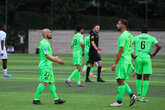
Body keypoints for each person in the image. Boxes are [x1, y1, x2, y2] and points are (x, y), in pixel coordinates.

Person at [33, 28, 65, 104]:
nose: (51, 34)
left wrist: (54, 57)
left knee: (51, 82)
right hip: (45, 66)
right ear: (45, 34)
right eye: (49, 32)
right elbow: (47, 56)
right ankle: (36, 99)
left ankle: (56, 99)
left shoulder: (46, 42)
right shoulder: (44, 43)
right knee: (43, 82)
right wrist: (57, 60)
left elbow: (48, 55)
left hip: (49, 66)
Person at [110, 19, 136, 107]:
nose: (117, 25)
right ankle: (132, 95)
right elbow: (131, 50)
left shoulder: (123, 36)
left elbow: (121, 50)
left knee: (120, 80)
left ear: (123, 25)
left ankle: (119, 101)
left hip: (123, 60)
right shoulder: (130, 35)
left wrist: (115, 63)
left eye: (118, 23)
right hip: (128, 60)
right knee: (122, 80)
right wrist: (133, 63)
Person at [133, 25, 161, 102]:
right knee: (146, 78)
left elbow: (130, 44)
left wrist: (132, 54)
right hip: (147, 57)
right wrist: (153, 54)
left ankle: (138, 95)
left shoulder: (136, 37)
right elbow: (159, 46)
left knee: (138, 76)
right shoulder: (151, 37)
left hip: (138, 58)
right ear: (147, 31)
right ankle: (143, 97)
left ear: (141, 31)